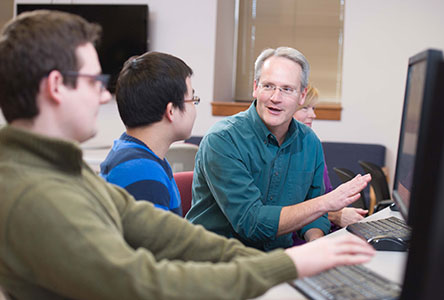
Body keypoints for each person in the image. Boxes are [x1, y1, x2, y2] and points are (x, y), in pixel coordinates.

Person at [0, 11, 375, 299]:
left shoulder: (65, 171)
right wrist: (287, 264)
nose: (103, 96)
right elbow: (144, 283)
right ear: (54, 87)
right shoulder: (34, 194)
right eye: (96, 82)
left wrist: (284, 263)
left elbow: (172, 236)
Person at [186, 47, 371, 251]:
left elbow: (314, 219)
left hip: (278, 259)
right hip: (218, 264)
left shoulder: (310, 142)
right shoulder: (222, 140)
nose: (275, 97)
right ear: (255, 88)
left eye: (286, 89)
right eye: (268, 86)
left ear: (302, 96)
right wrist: (326, 203)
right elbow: (252, 223)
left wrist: (316, 245)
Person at [100, 51, 198, 216]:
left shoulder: (138, 156)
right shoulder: (141, 171)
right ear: (171, 110)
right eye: (192, 99)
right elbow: (159, 241)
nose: (194, 108)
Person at [293, 85, 368, 228]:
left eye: (313, 108)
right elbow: (288, 209)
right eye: (305, 108)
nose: (313, 115)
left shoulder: (312, 145)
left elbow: (325, 197)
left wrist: (339, 212)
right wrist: (335, 216)